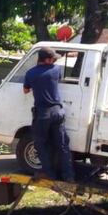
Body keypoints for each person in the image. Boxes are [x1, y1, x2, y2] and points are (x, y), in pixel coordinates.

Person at [23, 47, 75, 182]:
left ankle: (49, 174)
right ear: (46, 59)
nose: (54, 61)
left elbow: (26, 90)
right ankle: (69, 176)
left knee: (41, 144)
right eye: (53, 59)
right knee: (62, 145)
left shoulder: (30, 73)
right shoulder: (56, 70)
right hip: (58, 112)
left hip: (42, 114)